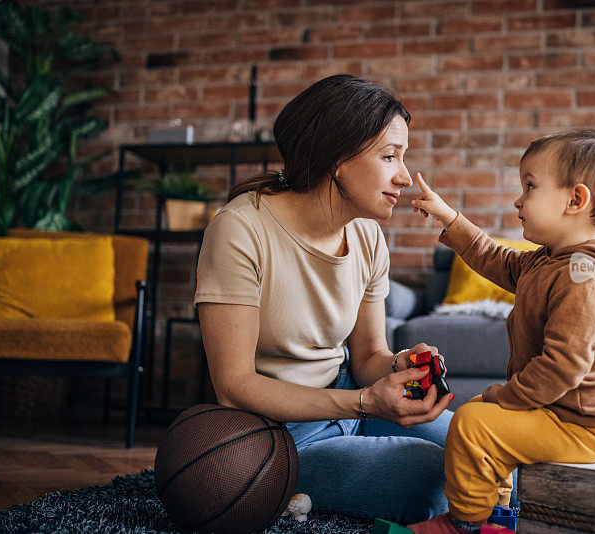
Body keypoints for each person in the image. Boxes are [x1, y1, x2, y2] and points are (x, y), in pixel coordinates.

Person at [193, 74, 454, 524]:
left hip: (350, 398)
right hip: (280, 436)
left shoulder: (368, 236)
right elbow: (234, 387)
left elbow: (369, 355)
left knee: (478, 446)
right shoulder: (240, 230)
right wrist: (365, 403)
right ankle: (290, 488)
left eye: (403, 158)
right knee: (436, 481)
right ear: (338, 157)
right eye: (389, 156)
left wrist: (400, 366)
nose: (405, 176)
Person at [407, 130, 595, 534]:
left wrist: (504, 396)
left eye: (529, 186)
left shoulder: (583, 278)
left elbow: (563, 367)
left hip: (580, 424)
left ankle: (466, 524)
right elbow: (494, 257)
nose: (518, 200)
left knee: (473, 423)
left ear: (575, 200)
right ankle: (497, 517)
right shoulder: (549, 262)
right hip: (560, 411)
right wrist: (449, 218)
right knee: (487, 423)